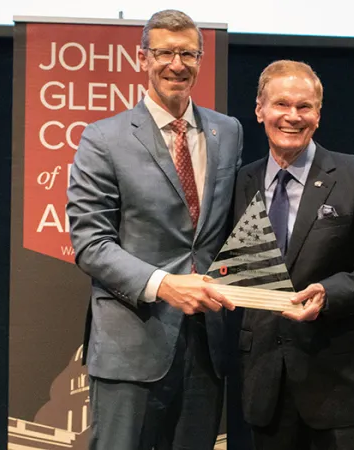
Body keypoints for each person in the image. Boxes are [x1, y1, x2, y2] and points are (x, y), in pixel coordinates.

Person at [66, 9, 243, 450]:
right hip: (132, 346)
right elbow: (90, 244)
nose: (176, 64)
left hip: (207, 348)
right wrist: (164, 285)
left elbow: (229, 229)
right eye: (164, 52)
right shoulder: (102, 138)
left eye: (188, 53)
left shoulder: (229, 131)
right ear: (143, 57)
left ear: (201, 59)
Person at [233, 60, 354, 450]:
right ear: (260, 109)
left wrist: (331, 294)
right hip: (266, 387)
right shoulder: (242, 181)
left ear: (318, 114)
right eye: (281, 104)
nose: (292, 116)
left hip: (342, 387)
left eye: (304, 106)